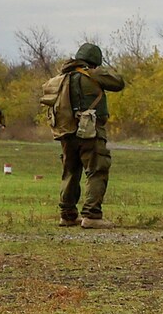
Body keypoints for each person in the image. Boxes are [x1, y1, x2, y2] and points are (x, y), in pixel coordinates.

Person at [48, 43, 127, 227]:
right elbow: (118, 83)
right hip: (90, 131)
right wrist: (101, 71)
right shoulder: (92, 74)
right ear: (94, 61)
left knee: (70, 172)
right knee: (97, 170)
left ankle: (67, 215)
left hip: (67, 132)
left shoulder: (64, 77)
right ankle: (92, 215)